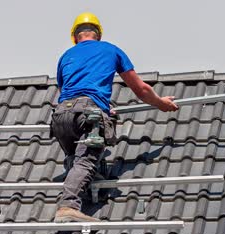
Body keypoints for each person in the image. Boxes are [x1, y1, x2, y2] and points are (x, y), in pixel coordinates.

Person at [52, 12, 179, 222]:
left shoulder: (66, 56)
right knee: (85, 161)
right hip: (89, 114)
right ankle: (68, 206)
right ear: (98, 34)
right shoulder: (111, 50)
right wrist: (161, 103)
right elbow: (141, 89)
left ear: (74, 37)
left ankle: (85, 179)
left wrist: (102, 108)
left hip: (61, 116)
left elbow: (67, 92)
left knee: (74, 158)